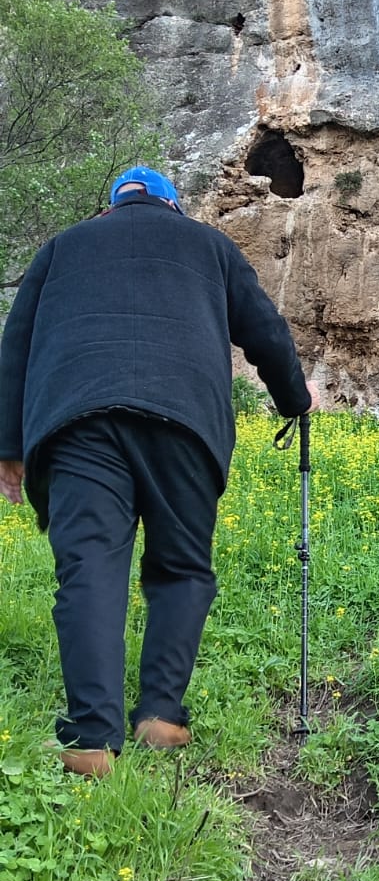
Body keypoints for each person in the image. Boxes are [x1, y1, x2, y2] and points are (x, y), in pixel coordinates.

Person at [0, 167, 317, 778]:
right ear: (173, 206)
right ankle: (161, 716)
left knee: (89, 567)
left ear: (111, 207)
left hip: (79, 422)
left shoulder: (62, 247)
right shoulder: (210, 245)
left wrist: (8, 445)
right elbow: (265, 331)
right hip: (184, 422)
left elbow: (16, 345)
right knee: (181, 568)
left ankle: (91, 738)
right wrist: (295, 400)